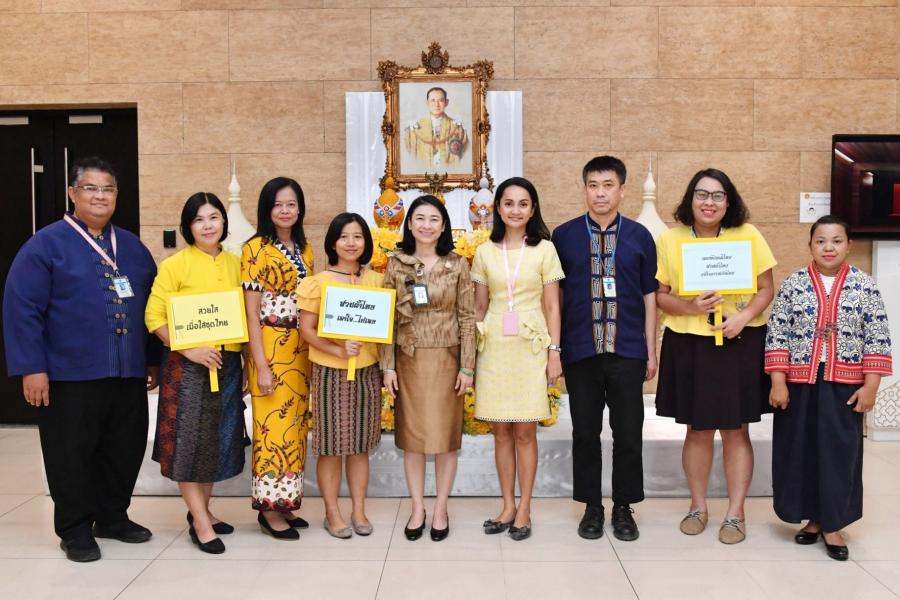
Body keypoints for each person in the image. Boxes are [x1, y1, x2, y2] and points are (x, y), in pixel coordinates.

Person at [3, 156, 158, 562]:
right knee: (70, 453)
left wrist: (152, 360)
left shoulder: (133, 247)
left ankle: (112, 517)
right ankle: (74, 529)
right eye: (90, 188)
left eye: (108, 189)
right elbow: (22, 308)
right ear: (73, 193)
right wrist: (31, 367)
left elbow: (154, 307)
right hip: (67, 374)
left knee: (124, 448)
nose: (100, 196)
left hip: (127, 372)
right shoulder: (45, 245)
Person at [655, 168, 776, 545]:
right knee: (697, 428)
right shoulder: (671, 239)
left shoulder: (748, 234)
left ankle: (736, 513)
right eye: (702, 195)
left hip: (740, 340)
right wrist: (690, 307)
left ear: (729, 201)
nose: (709, 202)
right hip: (689, 342)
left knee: (736, 429)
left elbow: (766, 288)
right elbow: (660, 295)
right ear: (690, 199)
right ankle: (698, 506)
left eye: (718, 195)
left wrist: (742, 317)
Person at [766, 215, 892, 561]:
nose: (828, 247)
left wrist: (871, 386)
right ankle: (812, 518)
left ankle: (834, 524)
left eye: (836, 241)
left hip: (844, 386)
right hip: (799, 384)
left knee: (839, 454)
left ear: (848, 245)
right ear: (810, 245)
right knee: (801, 451)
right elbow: (777, 333)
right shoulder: (793, 284)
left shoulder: (865, 286)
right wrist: (778, 381)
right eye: (821, 241)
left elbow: (877, 337)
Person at [551, 156, 658, 542]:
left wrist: (651, 349)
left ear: (622, 190)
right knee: (585, 432)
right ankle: (592, 506)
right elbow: (555, 297)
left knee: (628, 433)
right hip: (580, 349)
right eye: (593, 185)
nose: (600, 193)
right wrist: (555, 349)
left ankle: (624, 507)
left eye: (608, 185)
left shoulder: (640, 236)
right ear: (584, 189)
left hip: (627, 348)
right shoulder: (563, 236)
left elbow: (649, 296)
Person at [145, 193, 245, 555]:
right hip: (186, 367)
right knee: (188, 444)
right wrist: (189, 349)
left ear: (224, 222)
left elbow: (245, 315)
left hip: (226, 364)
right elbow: (154, 317)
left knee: (215, 443)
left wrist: (245, 362)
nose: (208, 225)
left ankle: (203, 510)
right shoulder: (175, 265)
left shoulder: (236, 263)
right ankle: (200, 521)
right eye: (199, 219)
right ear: (189, 227)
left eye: (214, 217)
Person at [472, 176, 564, 542]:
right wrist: (470, 356)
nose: (515, 210)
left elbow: (553, 307)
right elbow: (479, 307)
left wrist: (554, 352)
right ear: (497, 208)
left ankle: (525, 507)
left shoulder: (545, 250)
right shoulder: (484, 252)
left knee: (525, 432)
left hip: (530, 347)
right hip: (494, 346)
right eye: (508, 203)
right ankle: (507, 505)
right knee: (501, 432)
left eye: (523, 203)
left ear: (533, 209)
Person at [380, 195, 476, 542]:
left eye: (434, 219)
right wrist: (388, 366)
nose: (426, 225)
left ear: (443, 225)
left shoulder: (457, 264)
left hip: (448, 359)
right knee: (413, 439)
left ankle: (441, 509)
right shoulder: (396, 264)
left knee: (446, 439)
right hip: (409, 358)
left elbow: (467, 317)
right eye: (419, 218)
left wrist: (467, 367)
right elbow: (387, 317)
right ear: (409, 224)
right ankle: (418, 508)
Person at [298, 212, 384, 539]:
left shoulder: (376, 281)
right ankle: (332, 512)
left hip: (367, 372)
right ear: (333, 242)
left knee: (360, 445)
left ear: (366, 242)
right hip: (330, 372)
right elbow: (306, 329)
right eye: (344, 236)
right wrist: (336, 349)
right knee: (331, 447)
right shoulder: (318, 282)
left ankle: (359, 510)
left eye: (357, 236)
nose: (351, 243)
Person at [242, 177, 315, 541]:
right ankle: (269, 511)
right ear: (266, 209)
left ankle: (285, 502)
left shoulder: (305, 248)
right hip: (270, 349)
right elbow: (251, 313)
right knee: (273, 431)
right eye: (278, 204)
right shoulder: (255, 249)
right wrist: (260, 365)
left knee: (295, 430)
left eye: (291, 204)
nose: (285, 211)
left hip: (300, 352)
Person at [403, 86, 469, 170]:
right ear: (427, 103)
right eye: (433, 100)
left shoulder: (457, 128)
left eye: (441, 100)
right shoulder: (414, 129)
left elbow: (465, 154)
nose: (437, 105)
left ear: (446, 103)